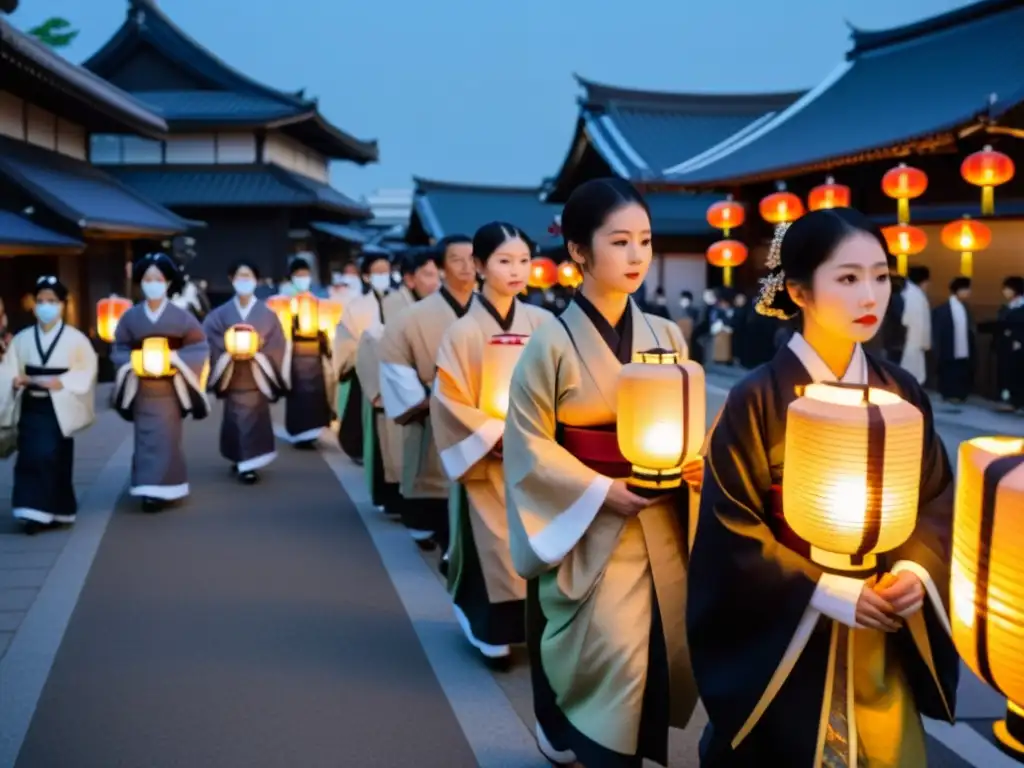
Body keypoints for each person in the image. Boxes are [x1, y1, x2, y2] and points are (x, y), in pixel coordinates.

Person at [688, 208, 958, 765]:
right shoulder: (756, 399)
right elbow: (730, 528)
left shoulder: (901, 390)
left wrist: (913, 571)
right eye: (848, 278)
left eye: (881, 277)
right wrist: (827, 590)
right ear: (799, 291)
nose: (871, 296)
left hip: (880, 620)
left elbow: (935, 498)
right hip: (789, 635)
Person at [504, 178, 701, 767]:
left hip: (659, 524)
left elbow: (691, 422)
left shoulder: (665, 334)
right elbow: (529, 446)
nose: (637, 255)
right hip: (589, 527)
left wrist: (693, 462)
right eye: (620, 241)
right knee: (611, 653)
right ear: (580, 252)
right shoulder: (551, 343)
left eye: (644, 240)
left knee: (651, 654)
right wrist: (598, 489)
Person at [430, 222, 551, 664]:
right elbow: (447, 398)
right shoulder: (462, 332)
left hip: (535, 456)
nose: (517, 270)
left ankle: (535, 628)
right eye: (504, 261)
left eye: (524, 260)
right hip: (486, 458)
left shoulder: (543, 323)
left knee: (536, 543)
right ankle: (490, 627)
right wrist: (492, 434)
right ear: (479, 266)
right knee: (491, 542)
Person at [379, 235, 475, 551]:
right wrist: (428, 397)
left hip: (489, 423)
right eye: (456, 259)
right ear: (441, 266)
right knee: (437, 497)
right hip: (433, 420)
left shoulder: (493, 310)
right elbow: (394, 360)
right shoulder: (412, 318)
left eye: (472, 258)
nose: (465, 267)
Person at [111, 254, 210, 512]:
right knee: (144, 439)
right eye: (147, 278)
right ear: (140, 283)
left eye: (158, 278)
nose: (152, 283)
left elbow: (199, 345)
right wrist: (134, 360)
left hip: (170, 387)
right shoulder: (131, 317)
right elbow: (119, 346)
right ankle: (147, 488)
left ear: (167, 283)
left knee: (168, 437)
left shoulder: (182, 316)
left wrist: (175, 359)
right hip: (142, 386)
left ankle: (168, 486)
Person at [0, 276, 97, 533]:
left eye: (52, 301)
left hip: (59, 407)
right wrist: (16, 381)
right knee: (33, 455)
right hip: (31, 406)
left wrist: (60, 381)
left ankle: (57, 509)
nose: (46, 306)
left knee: (56, 457)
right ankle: (31, 511)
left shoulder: (76, 339)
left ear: (63, 304)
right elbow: (9, 370)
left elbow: (86, 371)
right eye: (41, 301)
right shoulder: (22, 339)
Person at [357, 248, 436, 517]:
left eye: (438, 274)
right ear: (409, 278)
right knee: (397, 449)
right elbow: (368, 346)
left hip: (433, 389)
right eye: (427, 274)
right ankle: (400, 502)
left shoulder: (441, 305)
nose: (435, 281)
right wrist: (376, 390)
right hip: (396, 383)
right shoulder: (389, 305)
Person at [203, 260, 288, 484]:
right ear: (231, 280)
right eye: (240, 276)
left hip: (257, 376)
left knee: (254, 419)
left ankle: (248, 464)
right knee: (235, 419)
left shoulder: (267, 315)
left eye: (248, 276)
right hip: (231, 375)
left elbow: (277, 344)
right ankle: (240, 457)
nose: (244, 281)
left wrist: (259, 349)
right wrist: (227, 349)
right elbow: (208, 338)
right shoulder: (220, 315)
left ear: (256, 281)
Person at [333, 246, 393, 461]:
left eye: (386, 271)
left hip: (394, 366)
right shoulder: (357, 306)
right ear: (367, 276)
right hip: (366, 368)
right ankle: (359, 449)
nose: (382, 276)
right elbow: (345, 338)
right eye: (377, 272)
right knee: (361, 413)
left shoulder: (401, 301)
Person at [281, 254, 335, 448]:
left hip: (314, 351)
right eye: (299, 274)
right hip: (295, 351)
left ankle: (312, 432)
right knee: (298, 394)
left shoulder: (316, 299)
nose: (303, 277)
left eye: (306, 274)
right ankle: (299, 434)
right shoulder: (285, 298)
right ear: (292, 276)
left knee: (315, 394)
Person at [932, 276, 975, 403]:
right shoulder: (942, 310)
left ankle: (960, 393)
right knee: (949, 370)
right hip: (948, 348)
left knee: (962, 369)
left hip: (964, 348)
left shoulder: (966, 308)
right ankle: (949, 393)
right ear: (958, 290)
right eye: (966, 289)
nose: (969, 292)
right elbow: (937, 332)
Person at [900, 265, 931, 385]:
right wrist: (925, 343)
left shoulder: (910, 293)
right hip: (912, 340)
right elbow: (918, 323)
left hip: (910, 340)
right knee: (910, 374)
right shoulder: (915, 296)